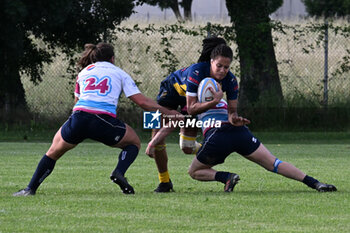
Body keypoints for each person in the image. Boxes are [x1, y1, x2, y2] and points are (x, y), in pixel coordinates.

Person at [13, 42, 181, 196]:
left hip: (78, 118)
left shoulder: (83, 72)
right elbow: (143, 102)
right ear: (112, 58)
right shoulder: (119, 73)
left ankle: (30, 189)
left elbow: (77, 103)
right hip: (102, 120)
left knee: (52, 152)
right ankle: (119, 172)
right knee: (134, 143)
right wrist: (168, 112)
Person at [183, 42, 337, 193]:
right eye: (219, 66)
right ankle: (314, 183)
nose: (223, 70)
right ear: (211, 61)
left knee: (194, 171)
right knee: (273, 164)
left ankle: (227, 177)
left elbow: (228, 113)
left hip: (220, 135)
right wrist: (218, 103)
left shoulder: (225, 83)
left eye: (227, 67)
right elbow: (192, 109)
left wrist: (235, 118)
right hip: (237, 133)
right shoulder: (199, 76)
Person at [147, 37, 227, 192]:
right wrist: (153, 142)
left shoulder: (219, 76)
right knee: (156, 134)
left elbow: (183, 118)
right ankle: (164, 182)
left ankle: (209, 152)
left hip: (189, 101)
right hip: (169, 89)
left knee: (187, 147)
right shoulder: (198, 76)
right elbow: (176, 120)